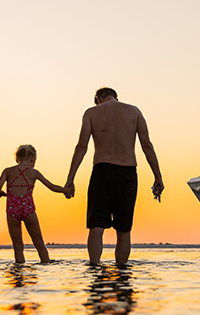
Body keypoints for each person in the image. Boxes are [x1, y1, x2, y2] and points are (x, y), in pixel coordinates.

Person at [64, 87, 163, 265]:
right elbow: (147, 146)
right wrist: (158, 176)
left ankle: (94, 268)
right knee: (124, 229)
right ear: (116, 97)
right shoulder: (134, 111)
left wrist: (70, 179)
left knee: (96, 227)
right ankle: (122, 272)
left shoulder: (91, 113)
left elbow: (81, 147)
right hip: (127, 173)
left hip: (102, 172)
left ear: (98, 99)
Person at [0, 144, 66, 264]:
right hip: (28, 209)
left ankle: (19, 271)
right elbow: (52, 186)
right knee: (38, 241)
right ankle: (45, 262)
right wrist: (65, 191)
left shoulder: (8, 171)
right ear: (32, 158)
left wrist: (0, 194)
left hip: (12, 210)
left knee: (17, 245)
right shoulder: (34, 173)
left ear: (17, 159)